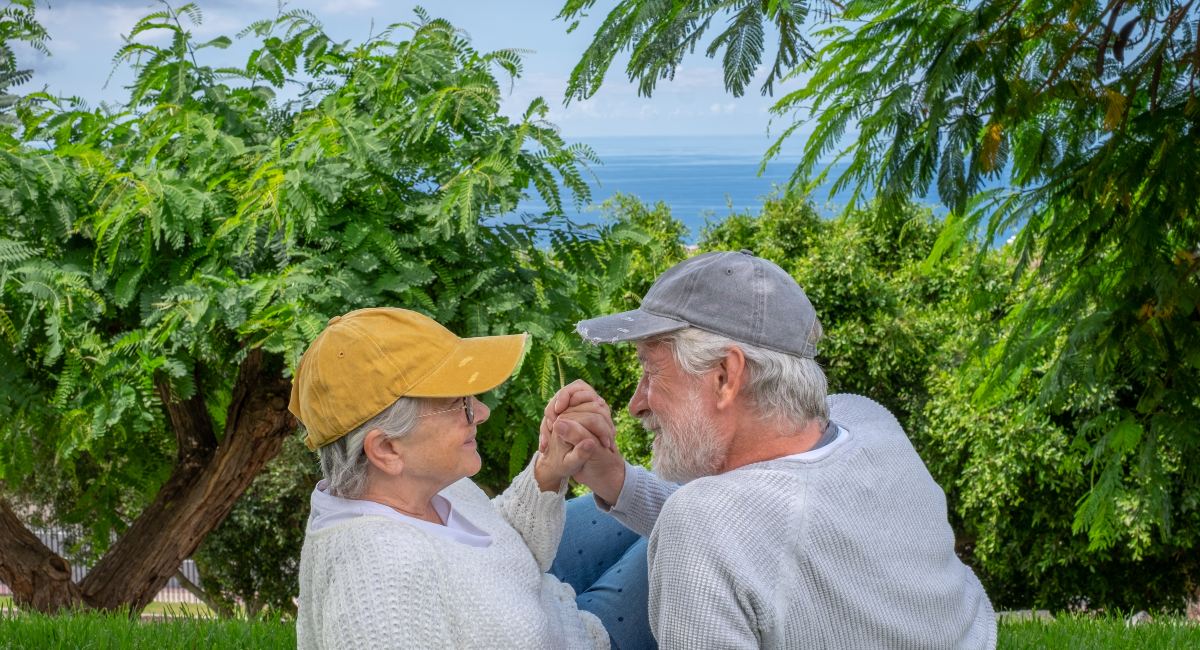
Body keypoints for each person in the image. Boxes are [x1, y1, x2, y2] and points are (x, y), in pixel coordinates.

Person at [541, 250, 997, 648]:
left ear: (725, 376)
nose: (636, 404)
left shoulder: (701, 525)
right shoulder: (866, 418)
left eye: (651, 371)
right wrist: (614, 480)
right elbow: (751, 529)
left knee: (536, 597)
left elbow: (723, 529)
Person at [290, 307, 654, 649]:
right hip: (587, 637)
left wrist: (549, 469)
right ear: (386, 449)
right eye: (458, 404)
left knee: (676, 499)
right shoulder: (380, 592)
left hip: (552, 601)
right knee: (687, 520)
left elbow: (494, 547)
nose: (481, 411)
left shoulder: (424, 487)